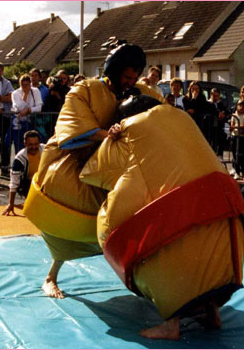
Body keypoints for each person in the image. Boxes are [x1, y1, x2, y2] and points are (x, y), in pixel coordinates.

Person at [80, 94, 244, 340]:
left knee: (154, 242)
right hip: (230, 225)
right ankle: (212, 311)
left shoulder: (130, 131)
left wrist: (110, 139)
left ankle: (172, 324)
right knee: (196, 238)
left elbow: (91, 173)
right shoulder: (182, 119)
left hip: (185, 220)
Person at [22, 43, 165, 300]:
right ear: (114, 71)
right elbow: (72, 124)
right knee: (67, 221)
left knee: (131, 222)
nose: (130, 82)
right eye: (126, 77)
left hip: (112, 168)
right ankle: (51, 276)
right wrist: (105, 135)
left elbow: (163, 112)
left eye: (134, 78)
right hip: (74, 163)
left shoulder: (138, 91)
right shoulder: (86, 89)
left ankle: (146, 281)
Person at [2, 130, 44, 216]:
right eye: (30, 145)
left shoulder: (46, 150)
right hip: (28, 184)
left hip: (44, 181)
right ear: (25, 144)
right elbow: (14, 183)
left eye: (36, 144)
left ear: (39, 143)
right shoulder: (19, 159)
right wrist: (11, 203)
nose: (34, 147)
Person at [7, 74, 43, 153]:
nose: (25, 87)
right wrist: (25, 95)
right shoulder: (15, 93)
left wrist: (28, 110)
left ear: (30, 84)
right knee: (19, 147)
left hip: (32, 122)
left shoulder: (35, 91)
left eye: (27, 85)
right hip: (19, 124)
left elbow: (39, 108)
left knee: (35, 145)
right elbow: (18, 108)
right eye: (23, 85)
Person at [230, 99, 244, 177]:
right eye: (240, 105)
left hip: (243, 137)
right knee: (235, 154)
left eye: (243, 105)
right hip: (235, 136)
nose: (241, 107)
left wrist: (240, 127)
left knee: (243, 155)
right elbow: (232, 125)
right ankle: (236, 171)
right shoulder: (234, 115)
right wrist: (237, 127)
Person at [209, 88, 228, 158]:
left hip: (219, 126)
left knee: (221, 140)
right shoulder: (208, 103)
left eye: (217, 96)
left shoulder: (220, 104)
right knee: (211, 142)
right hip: (210, 126)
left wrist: (223, 113)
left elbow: (226, 111)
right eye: (214, 95)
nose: (215, 97)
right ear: (211, 95)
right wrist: (218, 113)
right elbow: (211, 110)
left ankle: (220, 154)